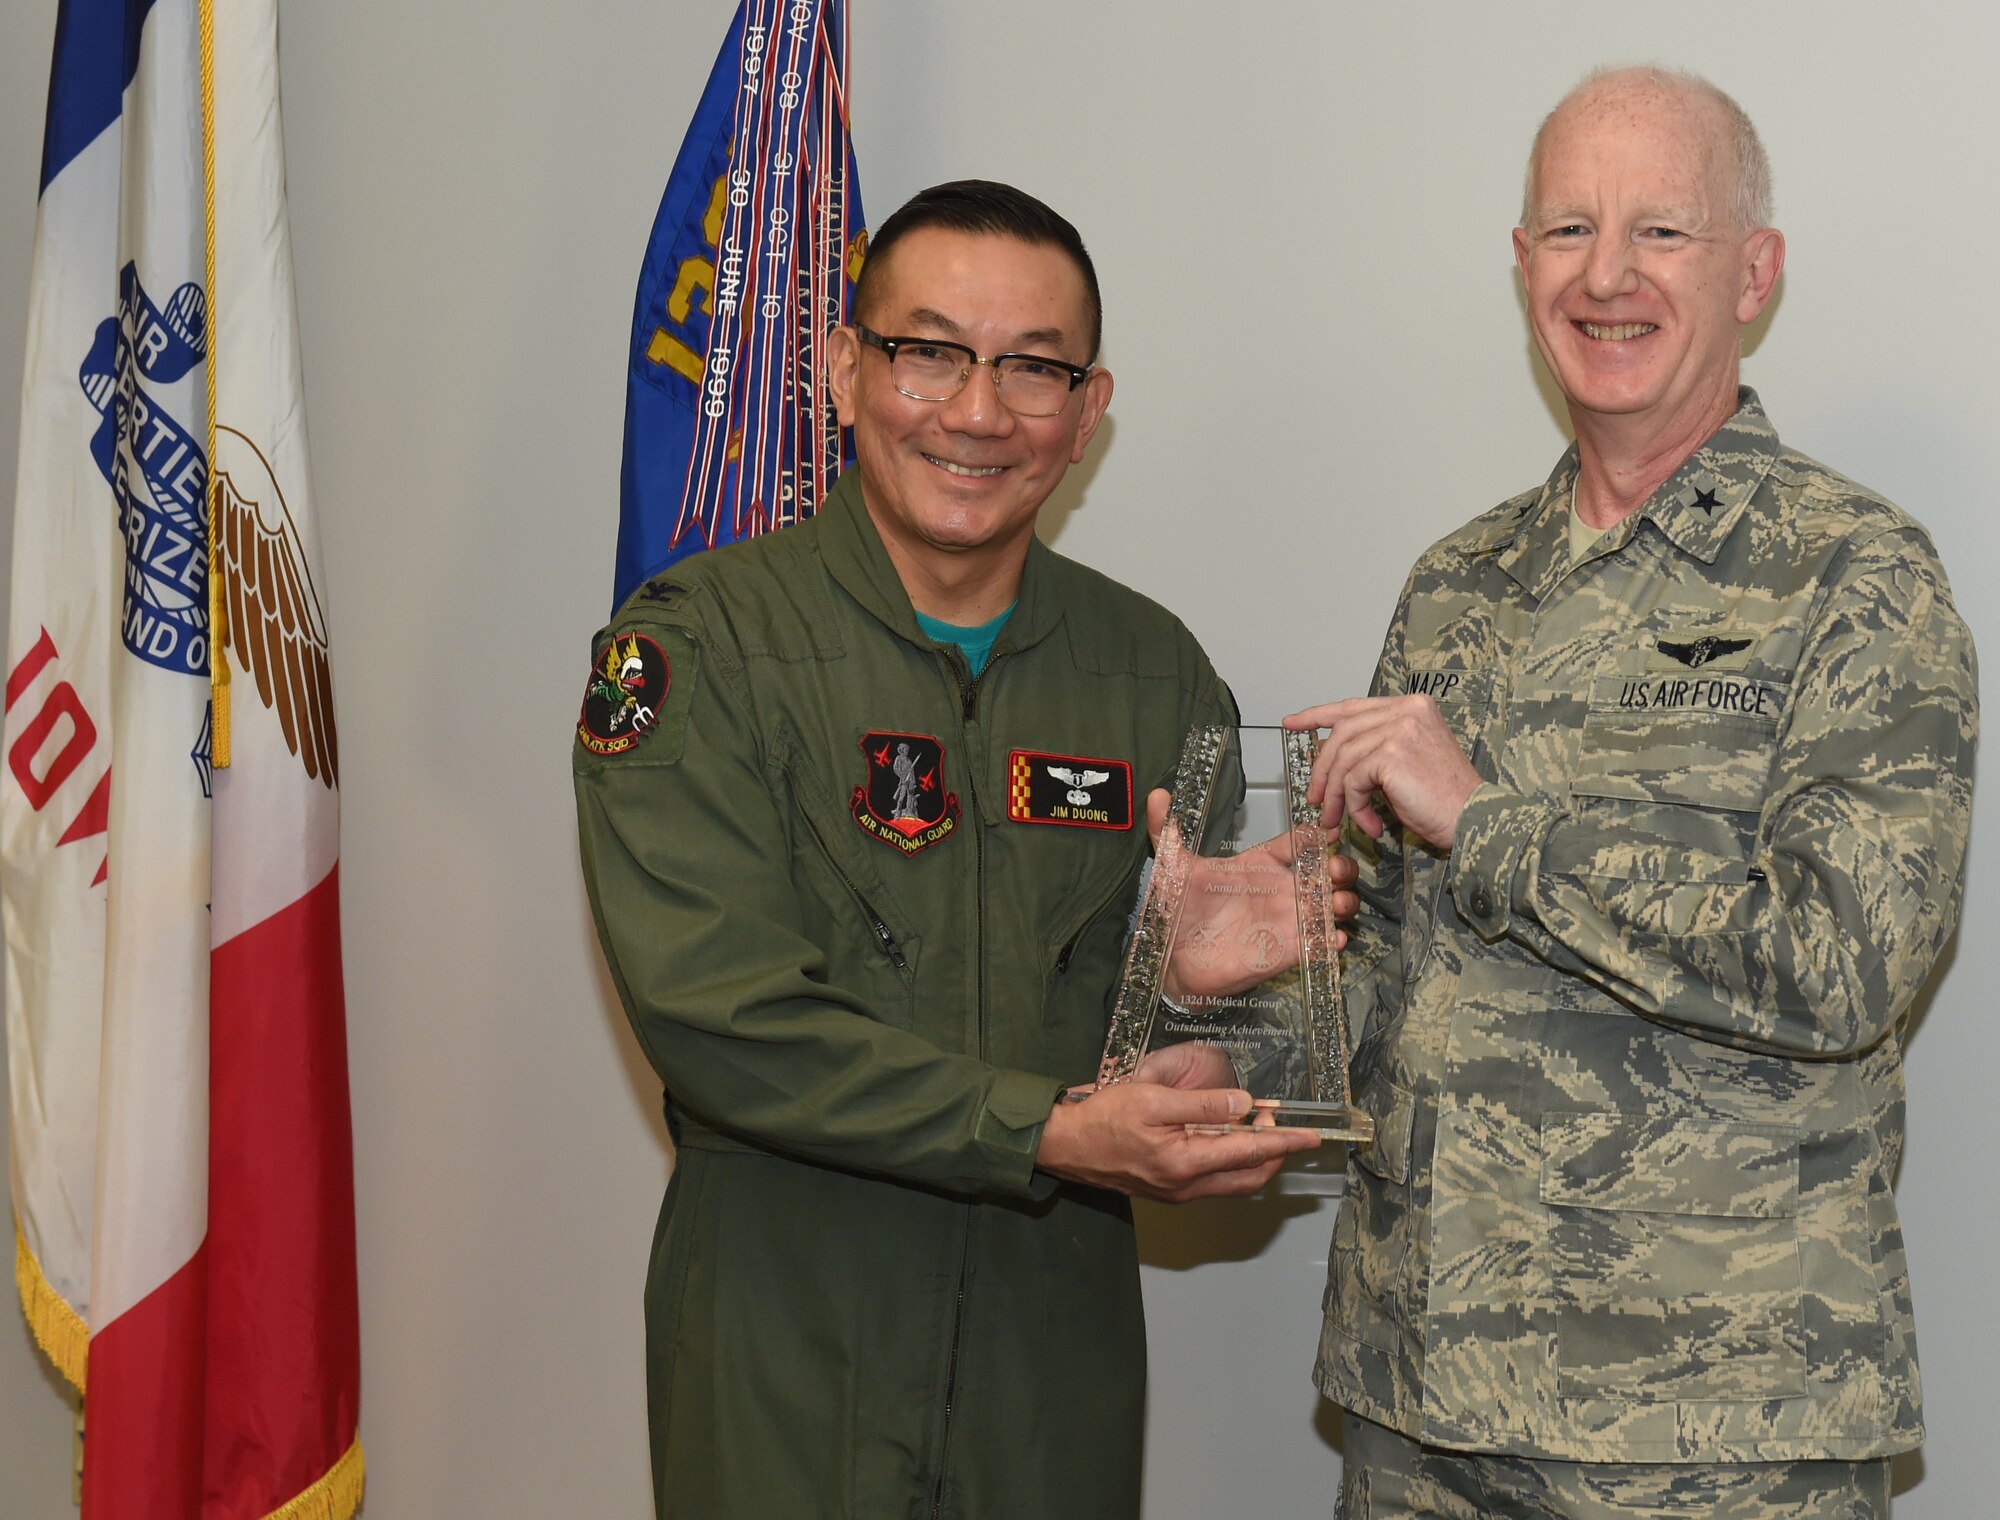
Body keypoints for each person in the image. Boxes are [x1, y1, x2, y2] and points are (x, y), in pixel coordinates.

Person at [574, 180, 1324, 1520]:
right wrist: (1041, 1128)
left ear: (1089, 414)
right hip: (785, 1358)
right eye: (930, 353)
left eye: (1033, 369)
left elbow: (1161, 1067)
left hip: (1054, 1377)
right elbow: (720, 1016)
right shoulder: (699, 651)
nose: (979, 413)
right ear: (844, 370)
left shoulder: (1155, 681)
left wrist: (1216, 1011)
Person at [1289, 68, 1977, 1519]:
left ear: (1755, 275)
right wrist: (1266, 976)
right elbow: (1391, 976)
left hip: (1715, 1432)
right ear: (1522, 264)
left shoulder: (1857, 575)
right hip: (1422, 1416)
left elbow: (1844, 964)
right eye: (1567, 230)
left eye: (1661, 232)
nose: (1606, 276)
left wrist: (1494, 826)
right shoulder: (1456, 586)